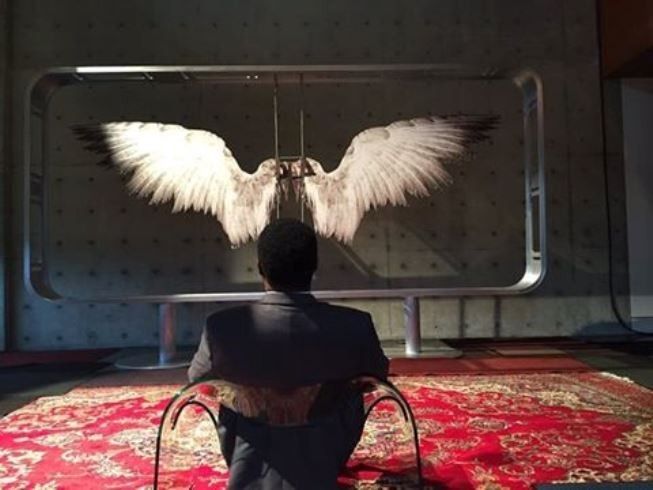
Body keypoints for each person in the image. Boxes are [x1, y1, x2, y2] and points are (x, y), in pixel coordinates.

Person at [188, 218, 389, 489]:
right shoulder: (355, 324)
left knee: (227, 392)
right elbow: (377, 376)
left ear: (260, 268)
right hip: (329, 444)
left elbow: (198, 383)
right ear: (314, 268)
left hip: (247, 438)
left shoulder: (221, 327)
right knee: (351, 393)